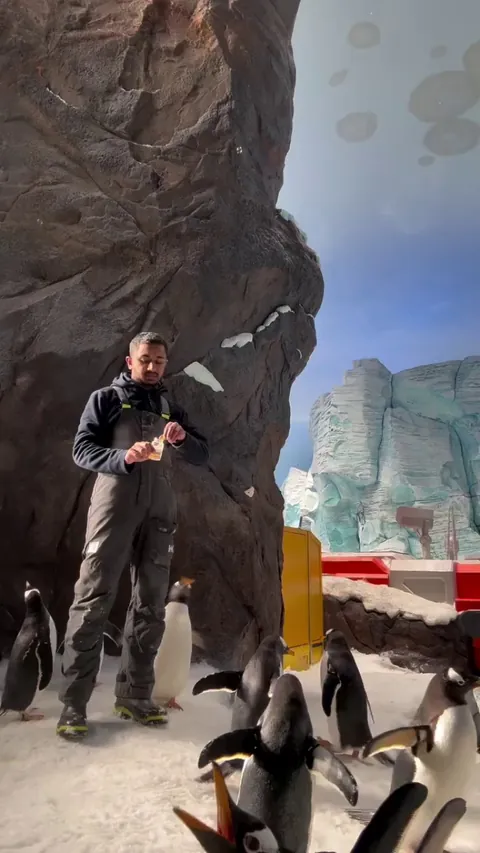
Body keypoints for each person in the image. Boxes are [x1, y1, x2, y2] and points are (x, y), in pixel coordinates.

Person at [56, 331, 208, 740]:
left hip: (160, 512)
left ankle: (135, 695)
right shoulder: (105, 399)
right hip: (114, 505)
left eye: (159, 361)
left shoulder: (169, 408)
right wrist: (122, 456)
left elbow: (202, 453)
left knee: (152, 605)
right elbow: (82, 449)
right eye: (145, 359)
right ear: (130, 361)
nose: (152, 366)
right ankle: (73, 703)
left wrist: (183, 439)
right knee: (92, 599)